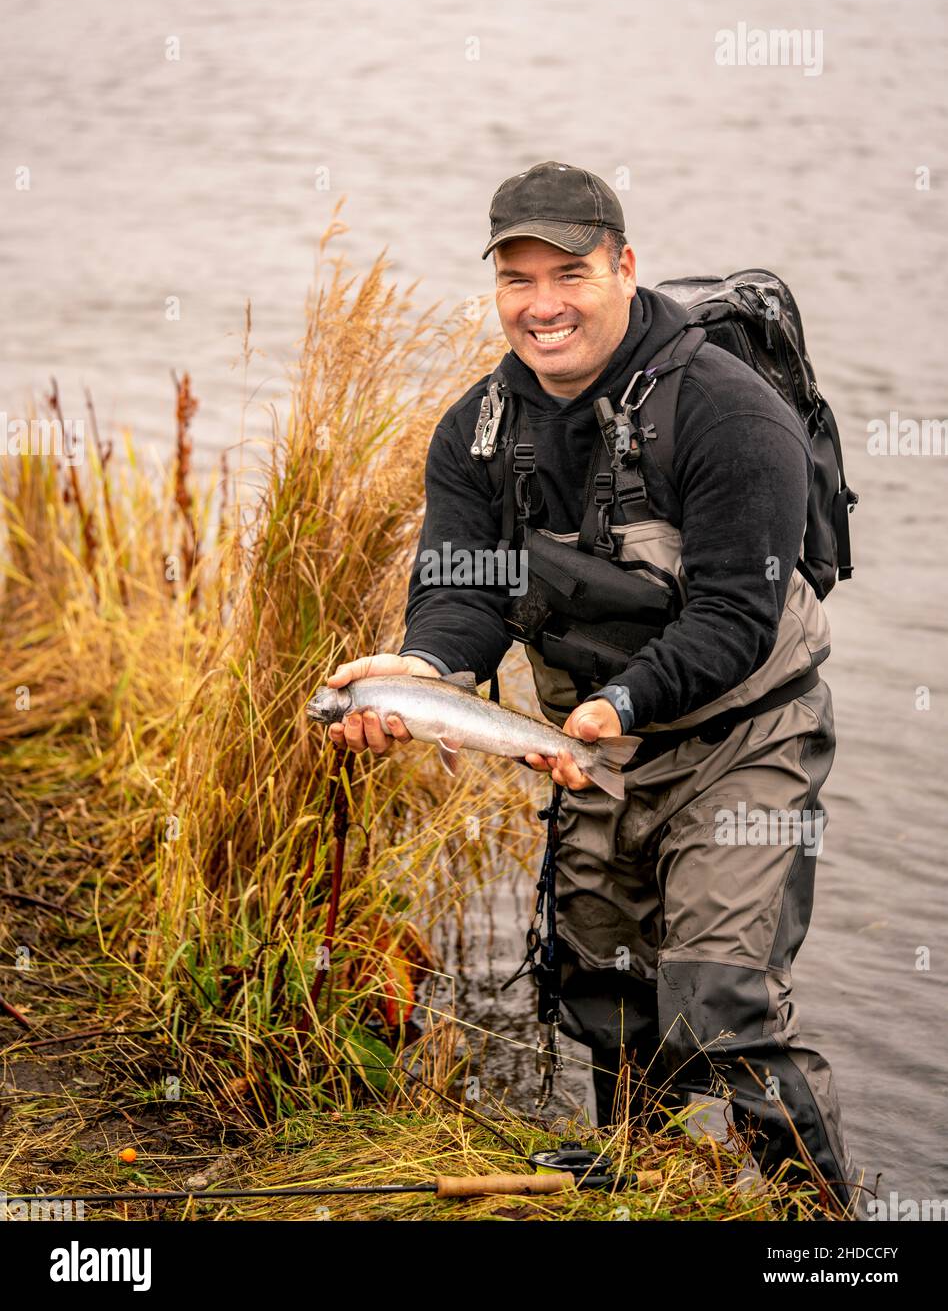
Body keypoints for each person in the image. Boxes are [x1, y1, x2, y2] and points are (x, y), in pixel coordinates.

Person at [326, 161, 865, 1217]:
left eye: (568, 272)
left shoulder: (728, 413)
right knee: (608, 993)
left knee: (721, 1000)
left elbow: (733, 617)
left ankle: (832, 1231)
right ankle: (644, 1187)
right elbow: (462, 593)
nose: (542, 305)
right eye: (516, 279)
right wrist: (426, 668)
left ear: (625, 266)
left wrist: (620, 703)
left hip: (740, 728)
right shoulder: (476, 431)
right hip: (594, 740)